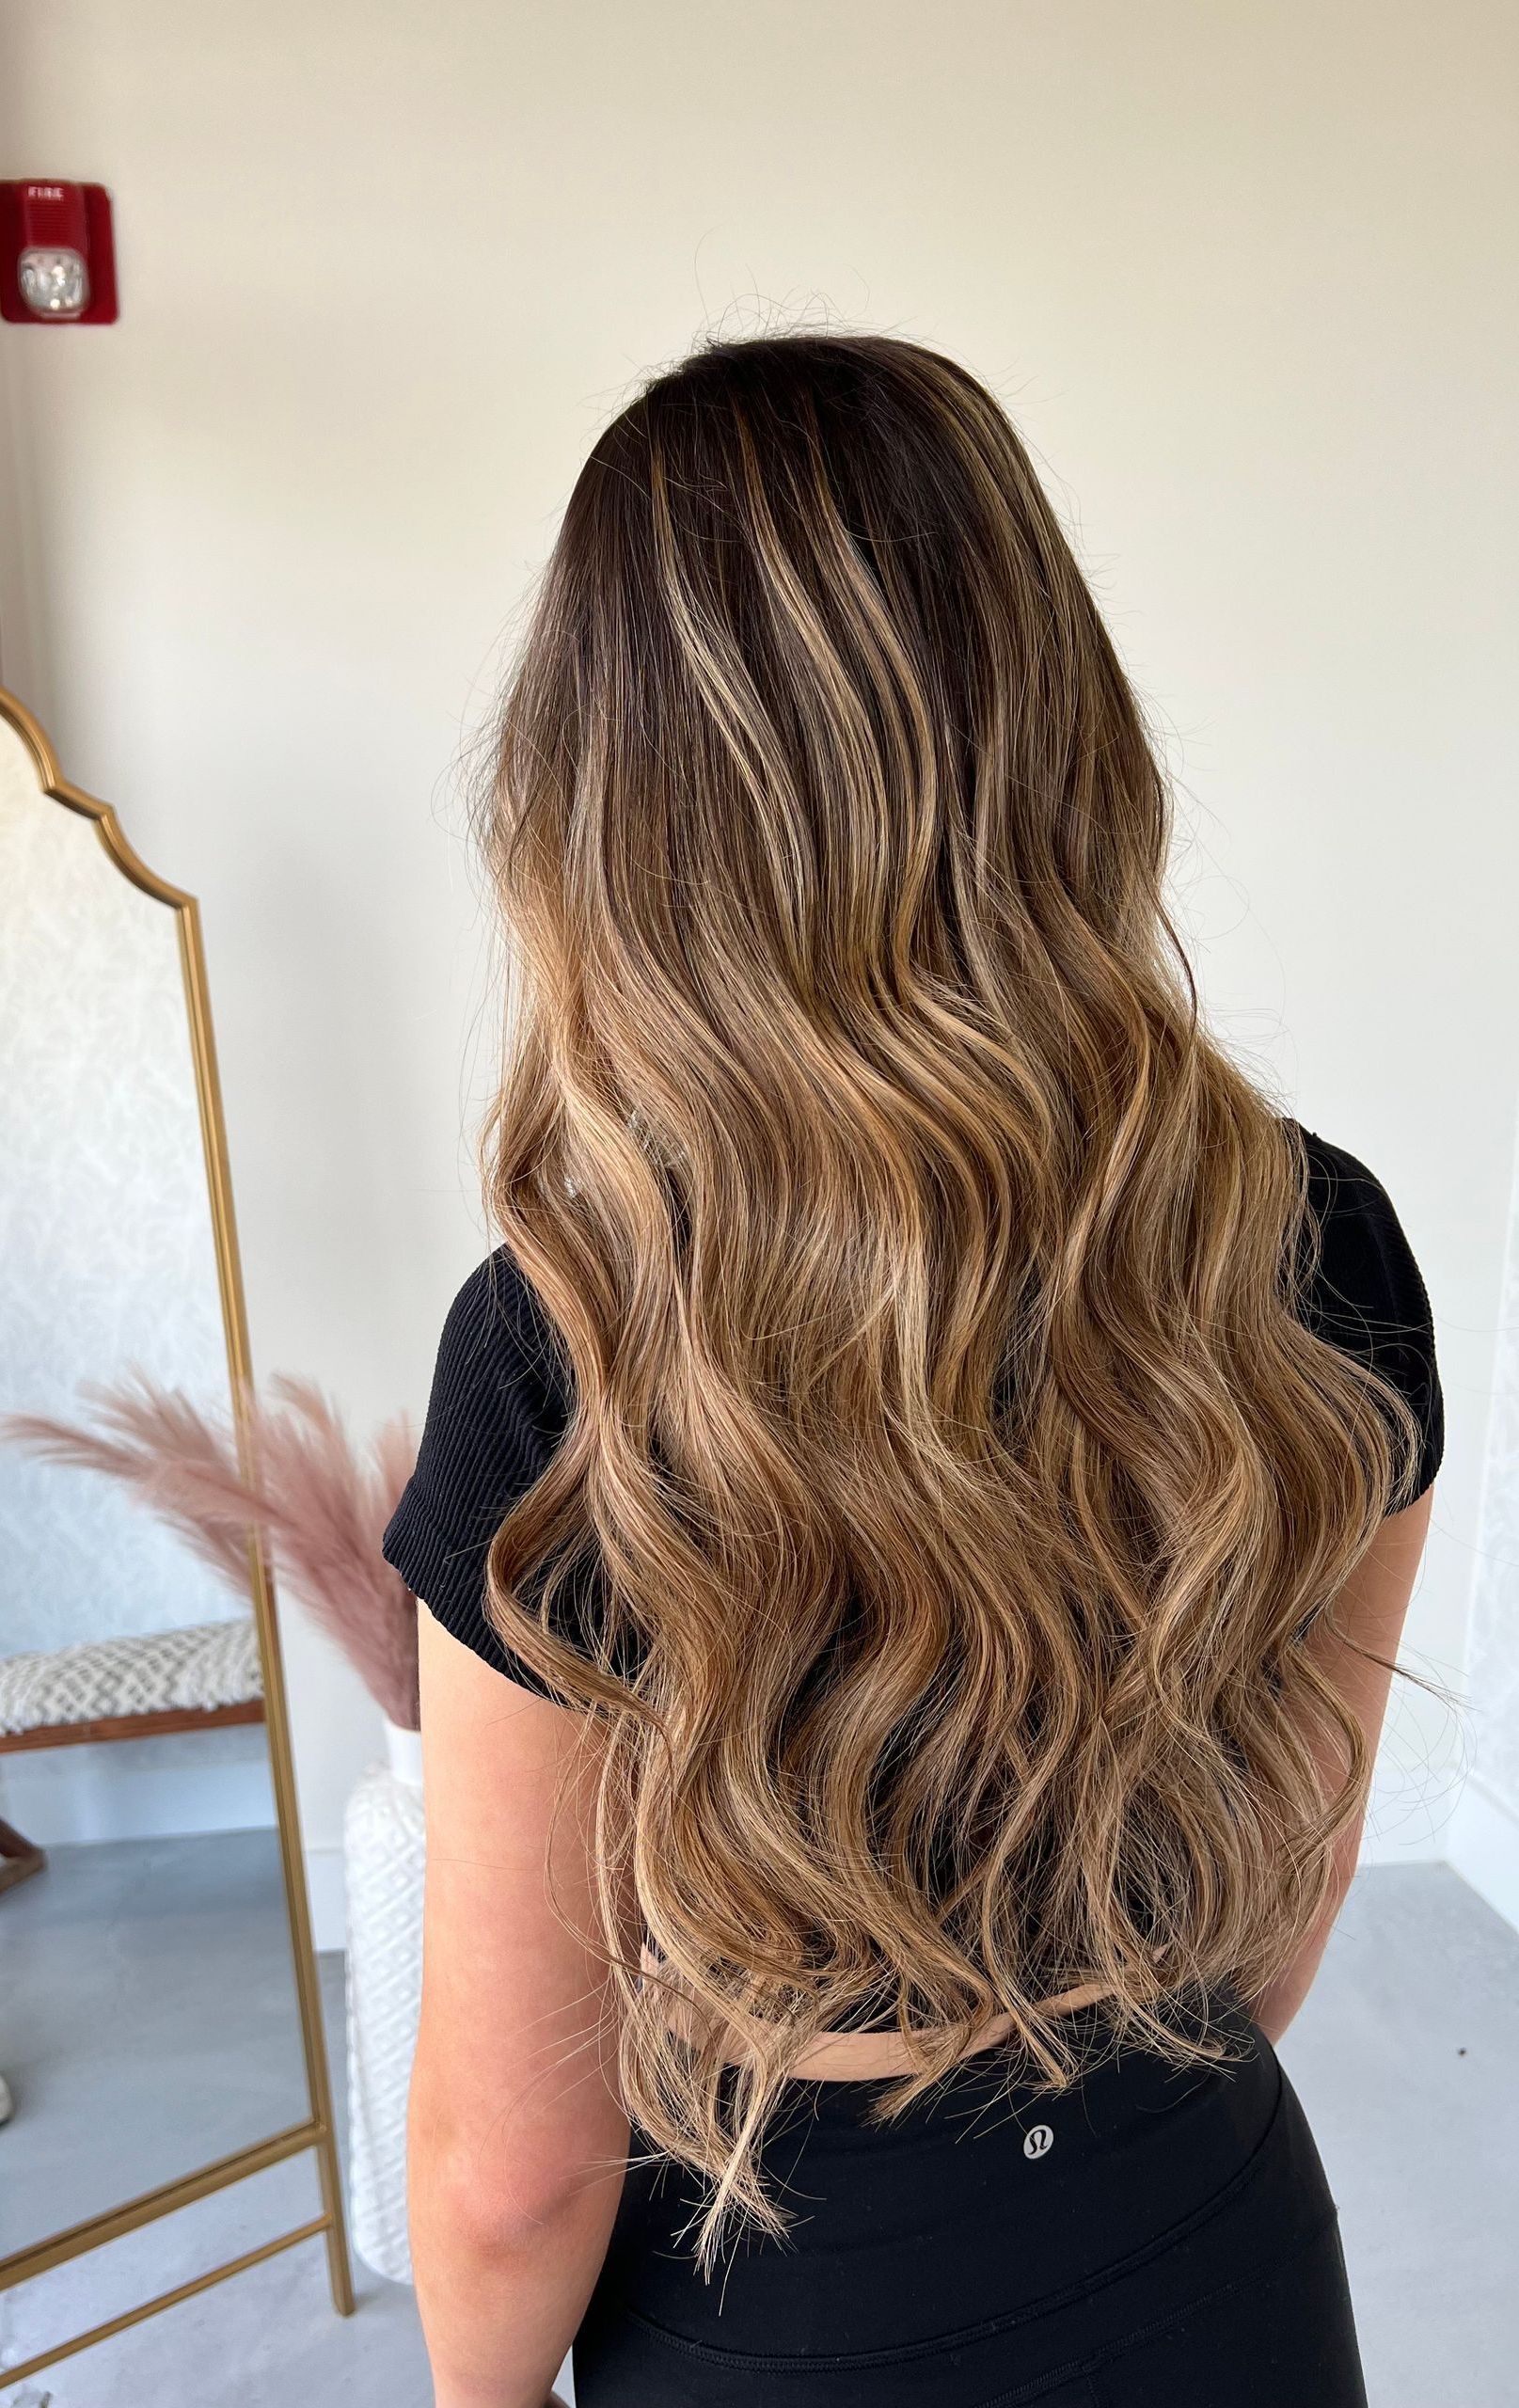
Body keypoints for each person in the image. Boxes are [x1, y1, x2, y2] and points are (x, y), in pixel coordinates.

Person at [382, 330, 1444, 2408]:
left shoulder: (563, 1348)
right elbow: (1276, 1916)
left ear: (604, 805)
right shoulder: (1320, 1237)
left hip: (781, 2316)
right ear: (1062, 726)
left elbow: (511, 2177)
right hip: (1215, 2234)